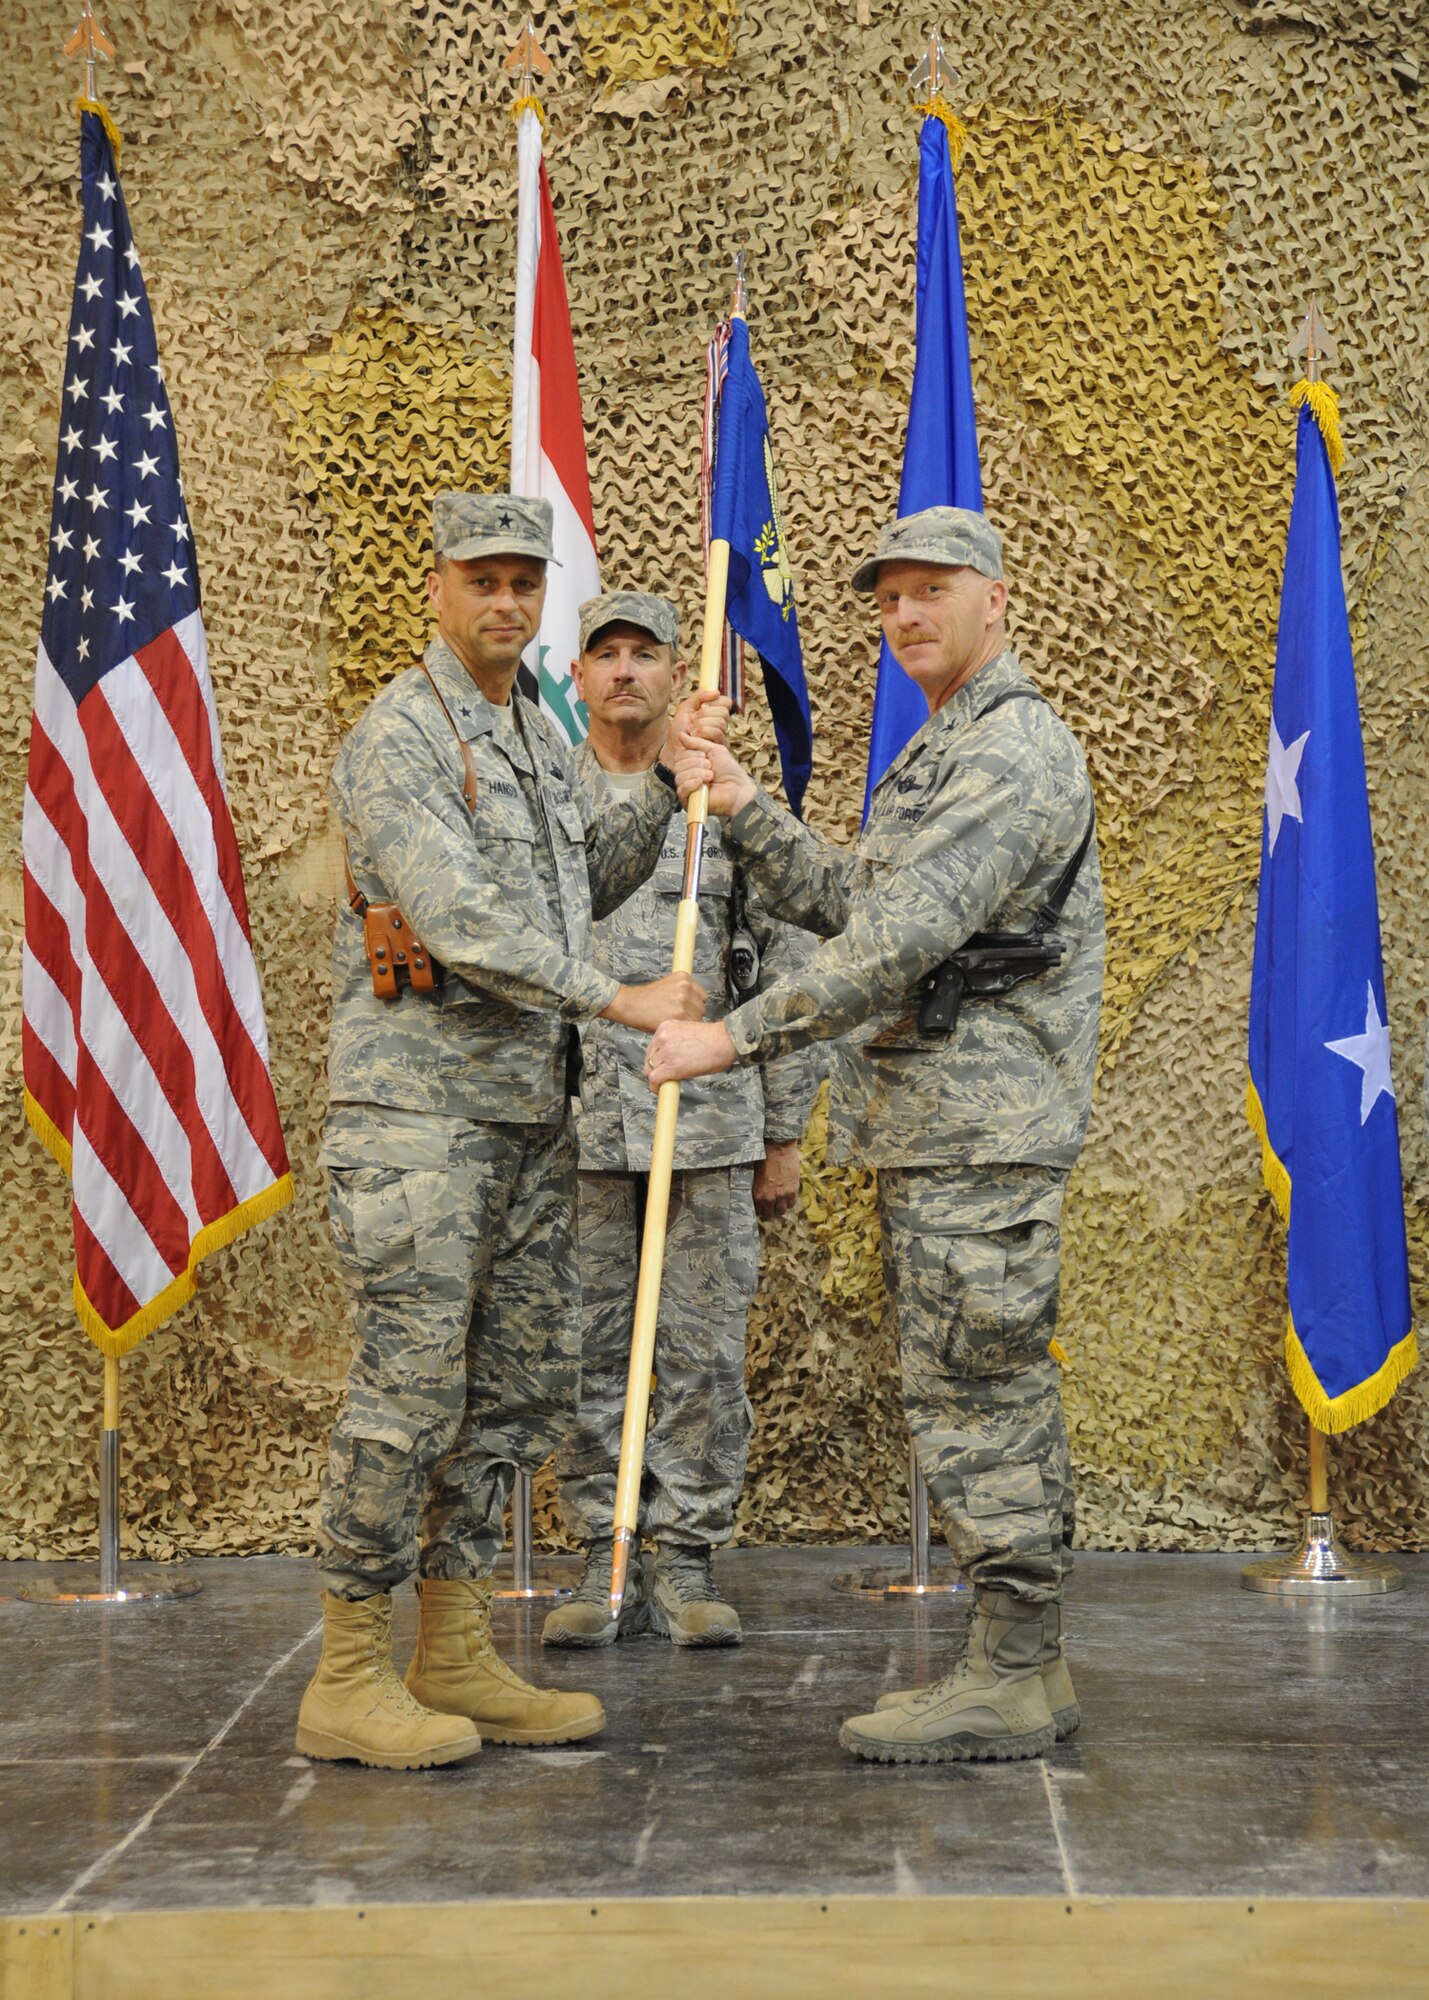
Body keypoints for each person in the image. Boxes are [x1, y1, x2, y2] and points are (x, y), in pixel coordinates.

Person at [645, 505, 1105, 1765]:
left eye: (930, 592)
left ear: (996, 598)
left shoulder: (1010, 751)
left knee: (982, 1395)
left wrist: (730, 1038)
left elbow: (894, 947)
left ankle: (1014, 1667)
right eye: (888, 598)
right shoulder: (941, 747)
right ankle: (1019, 1661)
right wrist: (742, 803)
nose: (903, 617)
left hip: (979, 1133)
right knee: (964, 1388)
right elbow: (861, 897)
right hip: (938, 1131)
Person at [297, 494, 725, 1771]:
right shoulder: (401, 735)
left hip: (521, 1119)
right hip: (418, 1123)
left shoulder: (532, 731)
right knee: (409, 1394)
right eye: (481, 579)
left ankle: (455, 1649)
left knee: (503, 1400)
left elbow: (582, 876)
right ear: (436, 586)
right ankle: (348, 1671)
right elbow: (463, 917)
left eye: (524, 582)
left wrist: (665, 780)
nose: (506, 603)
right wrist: (617, 996)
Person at [538, 592, 820, 1652]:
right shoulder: (548, 799)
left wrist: (784, 1125)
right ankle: (597, 1551)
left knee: (701, 1354)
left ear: (673, 676)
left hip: (705, 1124)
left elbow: (788, 960)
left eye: (644, 654)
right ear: (576, 674)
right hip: (576, 1128)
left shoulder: (716, 799)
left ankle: (687, 1556)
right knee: (587, 1349)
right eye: (603, 654)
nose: (623, 672)